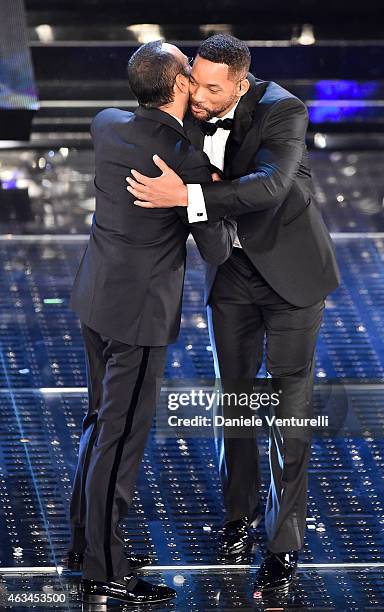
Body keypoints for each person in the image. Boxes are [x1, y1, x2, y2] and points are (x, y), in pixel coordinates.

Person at [125, 34, 341, 595]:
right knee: (237, 401)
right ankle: (239, 516)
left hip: (292, 275)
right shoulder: (190, 105)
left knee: (289, 412)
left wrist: (190, 199)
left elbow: (270, 186)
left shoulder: (283, 110)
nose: (198, 96)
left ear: (241, 84)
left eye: (212, 89)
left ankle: (283, 543)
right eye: (194, 80)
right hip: (233, 272)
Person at [67, 39, 236, 606]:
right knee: (119, 438)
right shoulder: (185, 158)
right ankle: (105, 569)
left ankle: (85, 544)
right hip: (138, 316)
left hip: (95, 299)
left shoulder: (107, 124)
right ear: (180, 86)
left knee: (98, 425)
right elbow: (215, 248)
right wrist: (195, 194)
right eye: (191, 73)